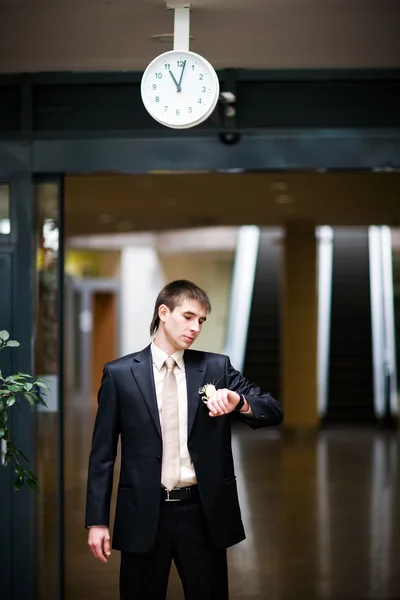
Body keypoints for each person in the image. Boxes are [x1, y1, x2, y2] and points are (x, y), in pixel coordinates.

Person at [85, 279, 283, 599]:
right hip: (143, 514)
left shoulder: (216, 368)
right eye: (188, 316)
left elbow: (272, 410)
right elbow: (102, 455)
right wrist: (97, 521)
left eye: (201, 321)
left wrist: (240, 402)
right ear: (164, 312)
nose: (195, 327)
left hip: (202, 514)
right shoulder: (120, 374)